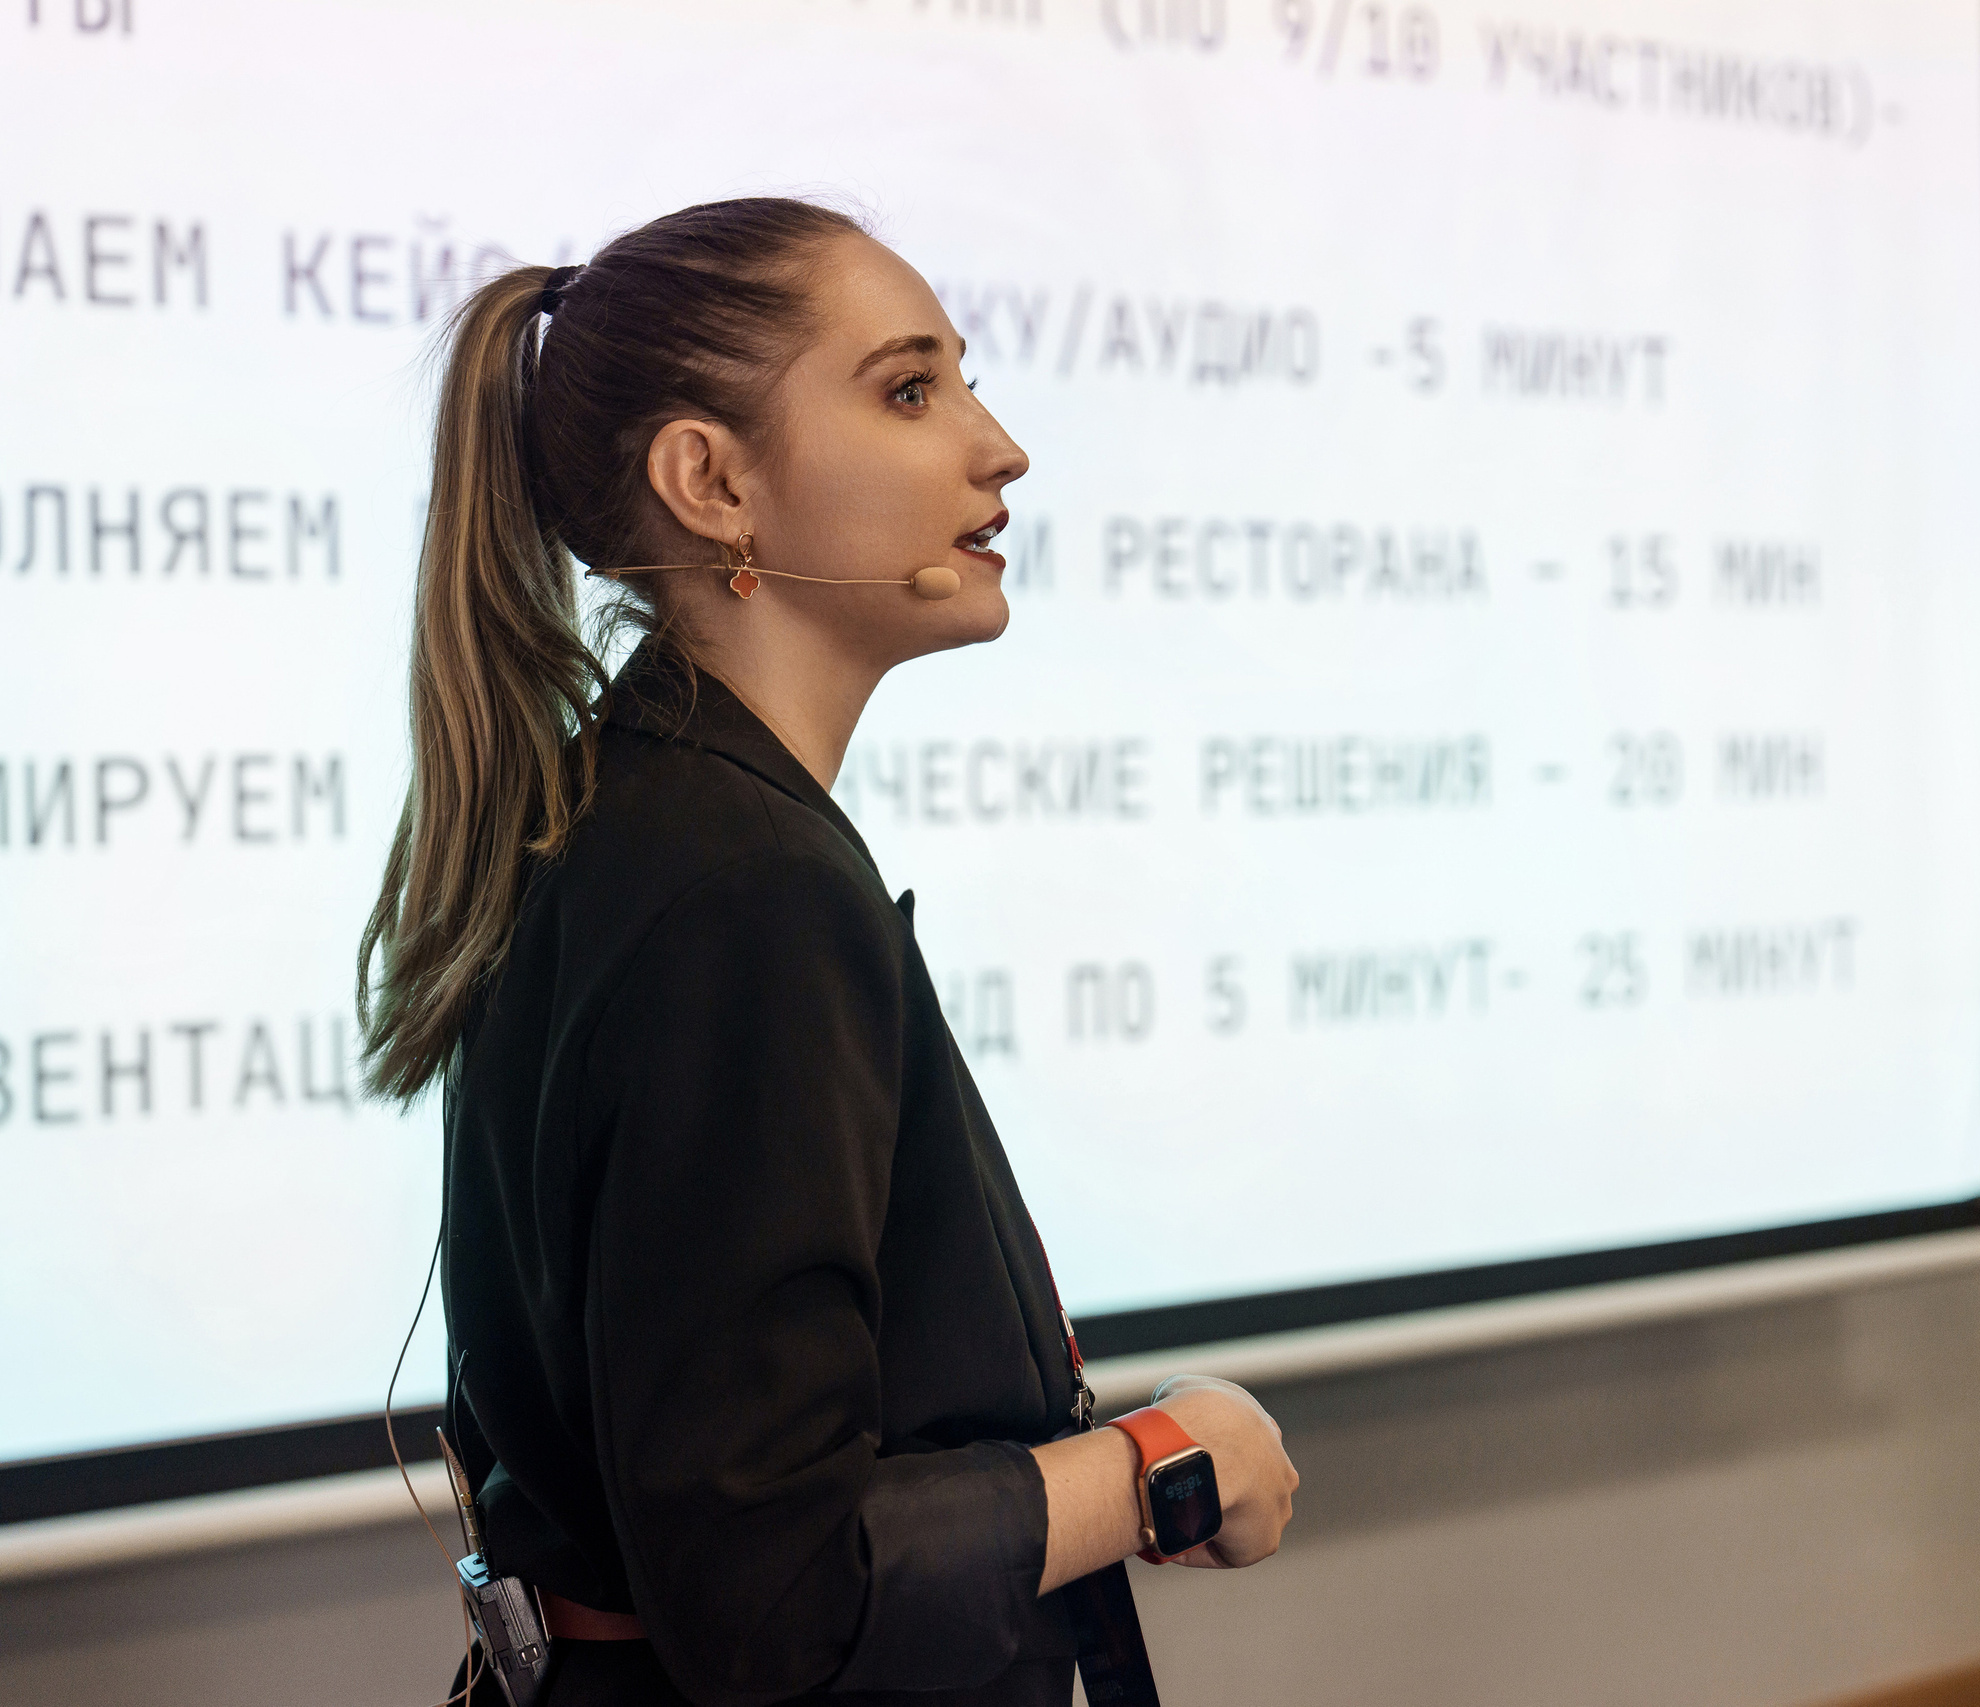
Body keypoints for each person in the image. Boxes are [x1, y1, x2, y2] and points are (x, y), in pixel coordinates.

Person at [358, 196, 1299, 1707]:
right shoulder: (736, 883)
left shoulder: (631, 817)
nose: (999, 448)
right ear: (710, 480)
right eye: (911, 389)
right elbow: (773, 1587)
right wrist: (1157, 1468)